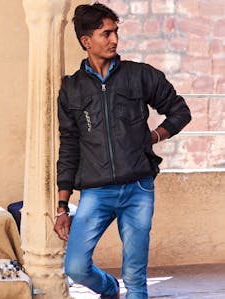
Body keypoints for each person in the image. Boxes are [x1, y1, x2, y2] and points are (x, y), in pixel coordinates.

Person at [54, 3, 191, 299]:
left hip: (138, 187)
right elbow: (69, 146)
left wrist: (155, 135)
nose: (114, 39)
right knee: (76, 266)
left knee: (136, 277)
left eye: (115, 32)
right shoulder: (72, 89)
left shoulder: (139, 75)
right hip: (95, 191)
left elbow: (180, 111)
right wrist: (62, 206)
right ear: (86, 41)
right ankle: (108, 288)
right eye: (106, 33)